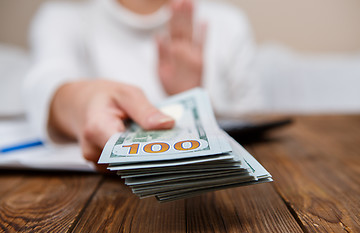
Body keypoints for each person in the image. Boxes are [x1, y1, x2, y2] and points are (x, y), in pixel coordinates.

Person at [23, 0, 262, 168]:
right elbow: (46, 81)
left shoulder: (228, 22)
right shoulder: (61, 17)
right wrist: (84, 100)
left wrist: (193, 98)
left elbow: (254, 120)